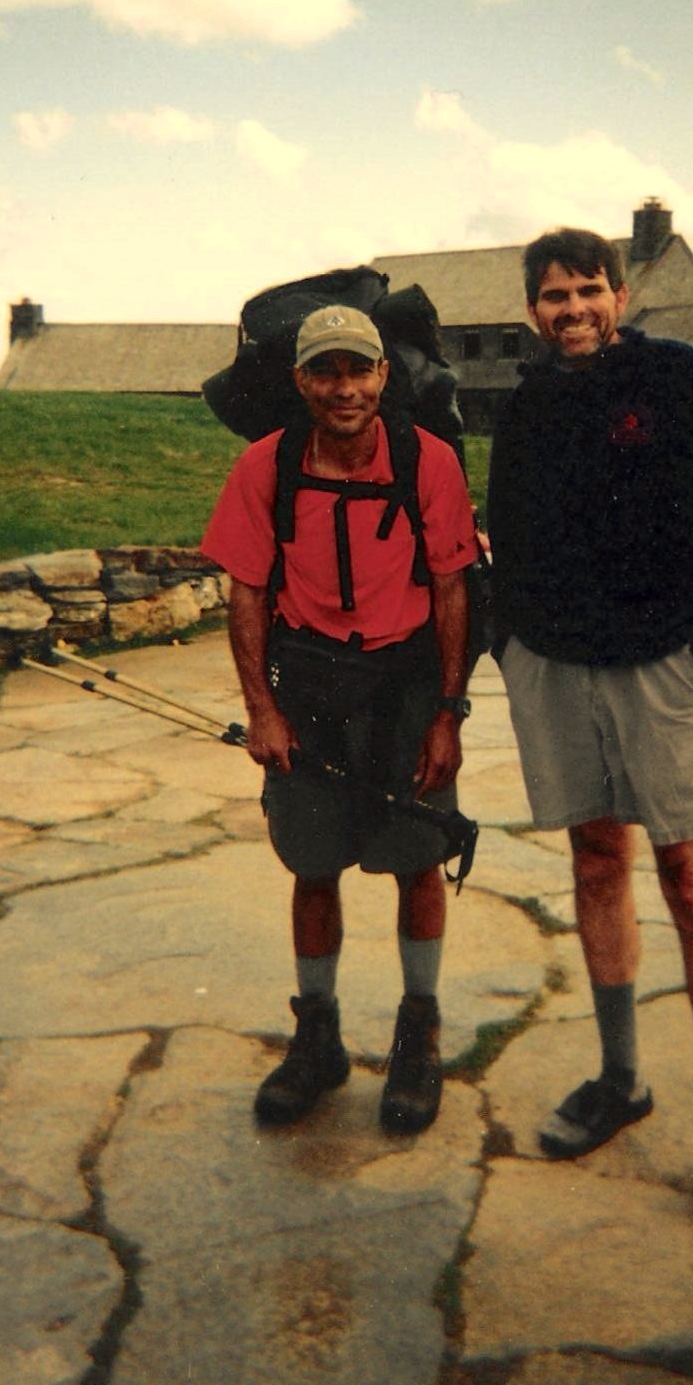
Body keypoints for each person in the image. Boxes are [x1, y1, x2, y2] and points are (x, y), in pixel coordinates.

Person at [486, 228, 693, 1244]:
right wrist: (509, 645)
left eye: (588, 290)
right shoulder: (527, 402)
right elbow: (504, 527)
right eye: (553, 296)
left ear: (620, 295)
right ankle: (620, 1078)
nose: (572, 309)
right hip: (556, 666)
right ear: (531, 310)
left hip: (665, 664)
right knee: (595, 861)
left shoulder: (677, 378)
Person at [201, 304, 477, 1135]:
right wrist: (262, 710)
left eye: (359, 369)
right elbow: (247, 590)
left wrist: (447, 713)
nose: (343, 387)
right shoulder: (266, 465)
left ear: (384, 375)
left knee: (417, 861)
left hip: (405, 690)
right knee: (312, 864)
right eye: (325, 371)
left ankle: (417, 1034)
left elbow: (453, 588)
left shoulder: (427, 461)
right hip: (308, 689)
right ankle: (316, 1036)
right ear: (299, 381)